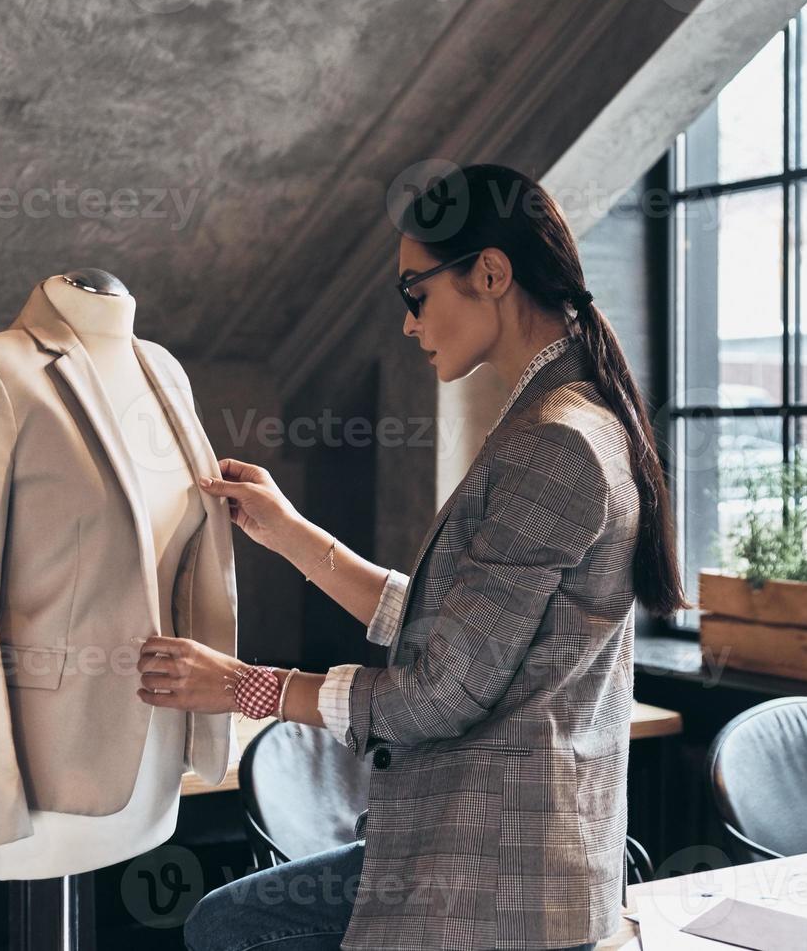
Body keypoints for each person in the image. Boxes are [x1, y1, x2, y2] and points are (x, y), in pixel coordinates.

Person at [136, 163, 687, 951]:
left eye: (415, 294)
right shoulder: (570, 417)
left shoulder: (555, 442)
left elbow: (437, 694)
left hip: (496, 880)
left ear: (490, 273)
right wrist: (294, 534)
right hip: (500, 855)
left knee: (226, 928)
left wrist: (239, 686)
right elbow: (461, 626)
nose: (408, 323)